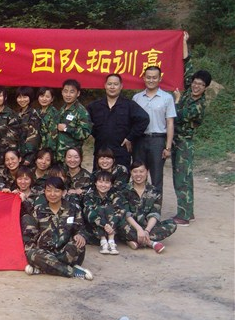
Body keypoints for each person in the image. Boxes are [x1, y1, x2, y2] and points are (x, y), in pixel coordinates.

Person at [172, 33, 210, 225]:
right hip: (176, 141)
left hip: (184, 143)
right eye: (195, 83)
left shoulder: (199, 105)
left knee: (183, 178)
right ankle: (188, 211)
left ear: (205, 88)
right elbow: (187, 65)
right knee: (181, 176)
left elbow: (179, 115)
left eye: (200, 85)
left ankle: (184, 215)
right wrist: (183, 42)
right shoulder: (189, 91)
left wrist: (177, 101)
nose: (196, 86)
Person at [22, 176, 92, 280]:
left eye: (56, 191)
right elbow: (31, 236)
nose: (52, 194)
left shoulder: (73, 209)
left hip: (66, 252)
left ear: (63, 192)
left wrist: (81, 235)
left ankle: (43, 268)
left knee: (78, 245)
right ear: (44, 192)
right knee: (32, 254)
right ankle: (72, 272)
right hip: (45, 252)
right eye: (49, 190)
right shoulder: (38, 210)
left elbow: (81, 228)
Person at [87, 73, 149, 169]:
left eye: (115, 84)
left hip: (121, 152)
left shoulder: (129, 105)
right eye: (109, 84)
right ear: (105, 85)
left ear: (121, 86)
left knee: (121, 177)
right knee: (100, 178)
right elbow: (86, 122)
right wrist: (97, 134)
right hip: (101, 153)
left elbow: (144, 119)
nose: (112, 87)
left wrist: (130, 137)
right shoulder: (95, 106)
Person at [133, 66, 177, 194]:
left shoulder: (167, 98)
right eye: (148, 77)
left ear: (159, 79)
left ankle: (155, 205)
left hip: (157, 140)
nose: (151, 80)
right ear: (144, 78)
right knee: (138, 174)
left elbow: (170, 123)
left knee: (156, 176)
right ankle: (139, 204)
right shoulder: (136, 98)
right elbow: (132, 121)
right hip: (139, 140)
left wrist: (168, 147)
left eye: (154, 77)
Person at [119, 161, 177, 253]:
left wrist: (146, 231)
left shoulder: (155, 191)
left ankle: (133, 240)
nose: (138, 175)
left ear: (147, 172)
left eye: (141, 171)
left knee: (172, 224)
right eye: (135, 171)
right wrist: (138, 229)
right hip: (130, 225)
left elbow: (155, 214)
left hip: (147, 226)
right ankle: (150, 243)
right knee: (118, 225)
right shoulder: (123, 190)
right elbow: (126, 214)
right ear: (131, 173)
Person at [83, 170, 126, 255]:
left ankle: (111, 241)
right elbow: (89, 213)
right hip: (94, 229)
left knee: (109, 209)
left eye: (107, 182)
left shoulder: (115, 195)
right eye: (100, 182)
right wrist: (104, 224)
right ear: (95, 183)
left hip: (112, 228)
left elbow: (120, 211)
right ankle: (103, 241)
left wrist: (111, 225)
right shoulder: (89, 196)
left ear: (111, 185)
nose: (103, 185)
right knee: (99, 209)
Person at [55, 79, 92, 162]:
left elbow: (85, 133)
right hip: (58, 154)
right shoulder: (62, 108)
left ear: (78, 93)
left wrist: (66, 129)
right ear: (62, 92)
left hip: (71, 157)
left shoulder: (81, 111)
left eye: (72, 92)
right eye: (65, 91)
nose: (68, 95)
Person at [0, 86, 20, 166]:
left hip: (6, 156)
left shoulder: (11, 114)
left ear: (5, 97)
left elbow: (13, 137)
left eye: (0, 96)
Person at [15, 87, 42, 166]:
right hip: (16, 155)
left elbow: (34, 138)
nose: (22, 100)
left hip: (27, 157)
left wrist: (29, 158)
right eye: (19, 97)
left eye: (25, 97)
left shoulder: (33, 114)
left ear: (30, 98)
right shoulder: (16, 114)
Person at [37, 87, 59, 153]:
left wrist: (48, 152)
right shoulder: (37, 111)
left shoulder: (54, 113)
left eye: (47, 97)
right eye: (42, 96)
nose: (44, 99)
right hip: (37, 148)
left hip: (47, 150)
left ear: (52, 99)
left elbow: (53, 136)